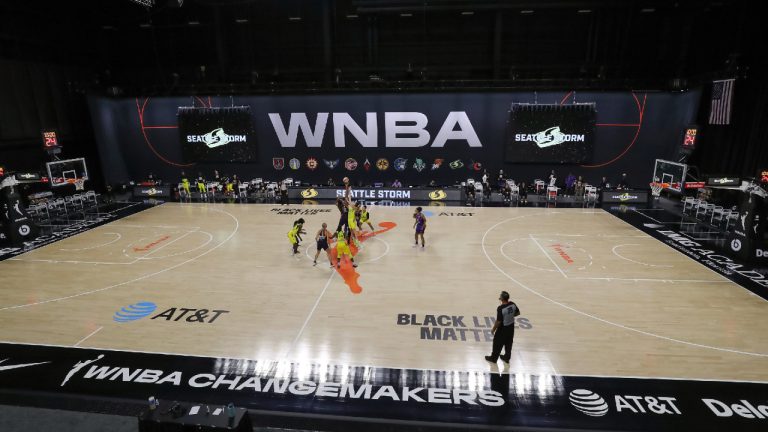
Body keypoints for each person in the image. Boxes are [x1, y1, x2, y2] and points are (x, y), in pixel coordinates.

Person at [485, 291, 520, 363]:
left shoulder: (501, 308)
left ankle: (494, 358)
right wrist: (509, 316)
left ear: (502, 299)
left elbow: (498, 321)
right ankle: (507, 357)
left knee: (497, 342)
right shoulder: (512, 304)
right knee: (509, 342)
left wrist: (493, 329)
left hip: (503, 328)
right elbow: (518, 313)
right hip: (511, 327)